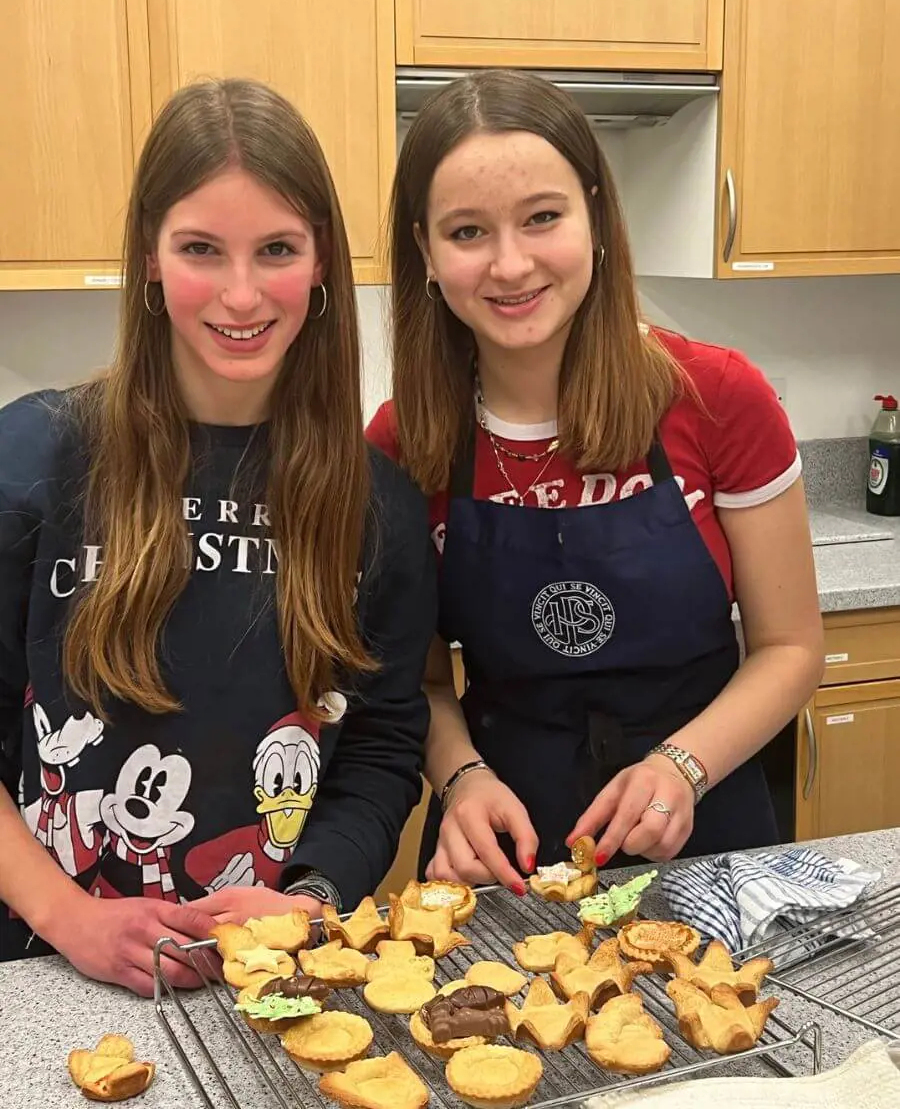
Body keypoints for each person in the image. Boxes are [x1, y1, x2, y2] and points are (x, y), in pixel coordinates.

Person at [0, 78, 435, 993]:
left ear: (320, 263)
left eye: (277, 248)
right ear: (151, 258)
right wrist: (65, 914)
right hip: (45, 967)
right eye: (202, 249)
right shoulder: (33, 456)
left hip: (270, 978)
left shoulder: (376, 506)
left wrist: (313, 898)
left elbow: (386, 745)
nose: (242, 294)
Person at [367, 68, 825, 893]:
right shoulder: (402, 441)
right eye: (467, 231)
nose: (510, 265)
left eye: (543, 218)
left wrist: (684, 766)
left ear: (597, 220)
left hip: (706, 822)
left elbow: (791, 647)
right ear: (426, 254)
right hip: (504, 848)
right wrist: (461, 778)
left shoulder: (718, 397)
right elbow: (424, 682)